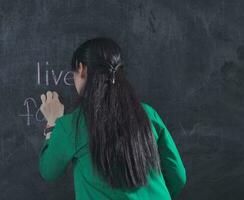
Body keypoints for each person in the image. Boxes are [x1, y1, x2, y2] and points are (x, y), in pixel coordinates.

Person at [38, 37, 186, 200]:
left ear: (81, 69)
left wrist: (52, 123)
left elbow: (48, 170)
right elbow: (178, 176)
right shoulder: (147, 113)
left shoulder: (73, 125)